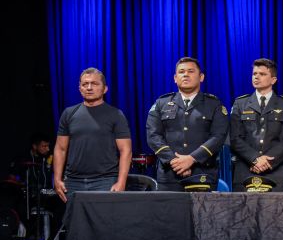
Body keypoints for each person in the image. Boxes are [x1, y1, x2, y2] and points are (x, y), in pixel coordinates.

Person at [146, 57, 229, 191]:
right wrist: (174, 161)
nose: (185, 74)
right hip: (169, 174)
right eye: (181, 71)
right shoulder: (161, 103)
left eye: (191, 71)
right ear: (175, 77)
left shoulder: (214, 104)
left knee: (203, 212)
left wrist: (192, 159)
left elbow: (218, 136)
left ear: (201, 77)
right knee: (169, 212)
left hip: (202, 172)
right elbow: (153, 136)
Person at [53, 68, 132, 202]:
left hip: (105, 181)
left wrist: (121, 182)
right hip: (73, 181)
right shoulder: (69, 113)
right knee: (75, 222)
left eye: (94, 84)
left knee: (104, 222)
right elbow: (60, 149)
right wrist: (57, 179)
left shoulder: (115, 115)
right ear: (79, 88)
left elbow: (126, 150)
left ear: (105, 89)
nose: (89, 87)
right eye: (85, 84)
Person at [230, 58, 283, 192]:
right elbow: (234, 138)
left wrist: (266, 162)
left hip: (275, 171)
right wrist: (255, 159)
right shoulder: (240, 103)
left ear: (273, 80)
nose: (257, 77)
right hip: (245, 170)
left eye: (262, 74)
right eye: (255, 74)